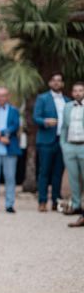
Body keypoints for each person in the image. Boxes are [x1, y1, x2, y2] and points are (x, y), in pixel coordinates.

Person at [33, 72, 70, 212]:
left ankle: (56, 201)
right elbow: (36, 117)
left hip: (63, 141)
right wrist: (45, 121)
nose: (56, 83)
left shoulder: (67, 101)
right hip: (46, 141)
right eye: (54, 80)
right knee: (44, 172)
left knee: (58, 172)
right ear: (50, 83)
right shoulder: (42, 98)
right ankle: (42, 201)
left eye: (59, 80)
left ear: (62, 84)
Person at [60, 82, 84, 224]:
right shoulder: (67, 107)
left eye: (80, 90)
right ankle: (76, 206)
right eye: (75, 90)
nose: (77, 93)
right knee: (73, 178)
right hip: (70, 147)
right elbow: (63, 127)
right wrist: (63, 144)